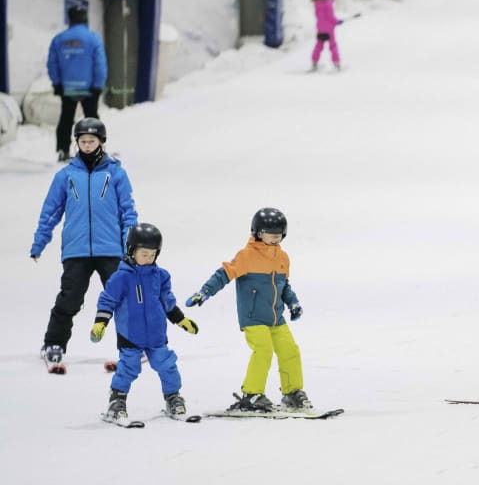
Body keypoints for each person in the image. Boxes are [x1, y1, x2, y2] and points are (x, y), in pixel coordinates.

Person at [31, 118, 138, 370]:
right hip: (76, 249)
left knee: (121, 298)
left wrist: (129, 247)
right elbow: (50, 211)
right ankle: (53, 343)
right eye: (82, 141)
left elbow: (128, 213)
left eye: (92, 141)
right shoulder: (66, 175)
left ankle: (131, 345)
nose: (87, 145)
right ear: (76, 142)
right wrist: (39, 243)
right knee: (70, 298)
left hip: (110, 249)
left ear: (101, 142)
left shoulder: (116, 173)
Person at [185, 208, 310, 412]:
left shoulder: (283, 257)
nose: (276, 235)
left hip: (276, 318)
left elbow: (283, 285)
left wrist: (293, 303)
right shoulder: (246, 256)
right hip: (253, 317)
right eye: (270, 231)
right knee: (263, 350)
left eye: (279, 232)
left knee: (290, 351)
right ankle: (252, 395)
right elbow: (223, 274)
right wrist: (204, 292)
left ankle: (292, 392)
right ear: (258, 232)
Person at [91, 223, 199, 422]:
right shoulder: (121, 277)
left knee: (167, 365)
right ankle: (117, 402)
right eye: (144, 254)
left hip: (156, 334)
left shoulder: (160, 276)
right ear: (132, 251)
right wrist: (100, 323)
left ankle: (173, 397)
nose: (149, 259)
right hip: (130, 334)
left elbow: (167, 301)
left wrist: (181, 319)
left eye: (152, 255)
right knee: (128, 367)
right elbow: (107, 300)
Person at [47, 6, 108, 161]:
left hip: (68, 88)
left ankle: (63, 150)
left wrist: (57, 84)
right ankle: (96, 152)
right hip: (89, 88)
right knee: (92, 119)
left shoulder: (59, 39)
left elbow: (52, 64)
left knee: (66, 118)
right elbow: (100, 65)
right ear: (85, 18)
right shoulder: (93, 39)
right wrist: (98, 85)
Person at [311, 0, 343, 72]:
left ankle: (314, 63)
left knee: (318, 46)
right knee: (333, 46)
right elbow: (330, 17)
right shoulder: (328, 3)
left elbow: (319, 16)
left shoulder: (317, 3)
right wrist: (337, 22)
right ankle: (336, 64)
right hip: (329, 30)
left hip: (320, 29)